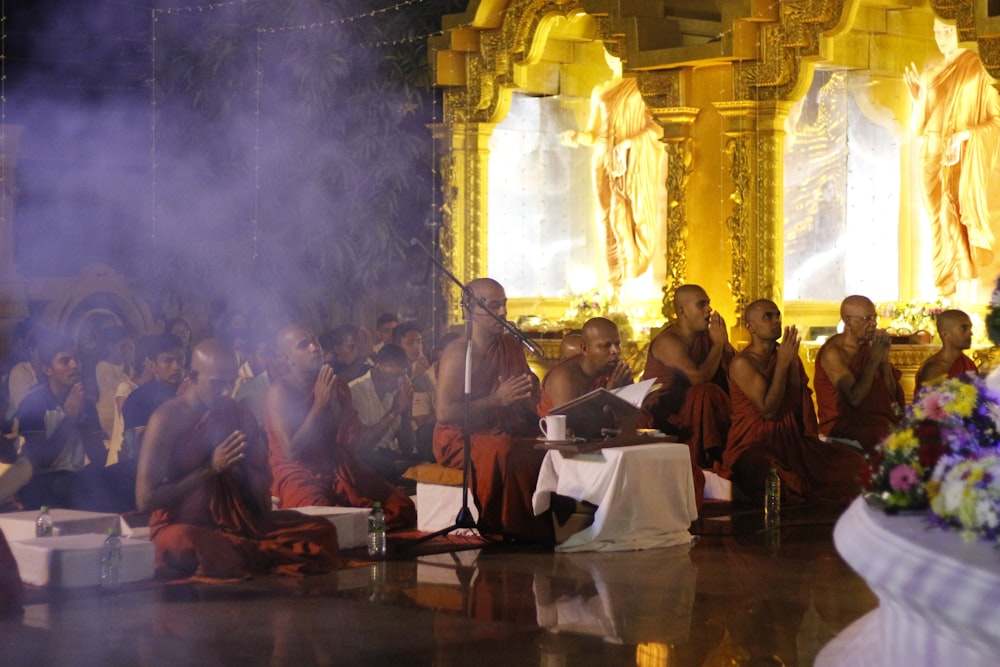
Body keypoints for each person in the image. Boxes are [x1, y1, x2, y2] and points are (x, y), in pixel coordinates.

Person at [136, 338, 339, 581]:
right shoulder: (167, 419)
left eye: (231, 382)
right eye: (217, 383)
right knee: (189, 542)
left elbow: (258, 481)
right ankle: (241, 554)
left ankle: (241, 552)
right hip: (182, 524)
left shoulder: (237, 412)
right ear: (192, 376)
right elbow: (145, 500)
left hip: (238, 524)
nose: (226, 391)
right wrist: (209, 469)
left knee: (320, 530)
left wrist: (239, 472)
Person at [433, 278, 551, 543]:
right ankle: (506, 527)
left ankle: (544, 525)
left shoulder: (510, 345)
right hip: (460, 435)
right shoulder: (458, 353)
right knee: (505, 449)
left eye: (504, 305)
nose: (503, 313)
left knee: (544, 443)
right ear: (471, 310)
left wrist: (529, 396)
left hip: (504, 426)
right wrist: (495, 400)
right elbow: (444, 413)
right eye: (495, 306)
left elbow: (523, 397)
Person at [265, 325, 415, 529]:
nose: (314, 348)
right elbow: (291, 450)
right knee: (323, 523)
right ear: (286, 358)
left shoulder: (336, 386)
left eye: (315, 341)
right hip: (299, 472)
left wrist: (397, 410)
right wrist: (319, 405)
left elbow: (357, 443)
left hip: (337, 466)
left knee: (402, 507)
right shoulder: (280, 391)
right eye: (304, 345)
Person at [722, 300, 864, 505]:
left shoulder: (787, 356)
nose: (776, 320)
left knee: (855, 464)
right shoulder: (742, 363)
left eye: (777, 315)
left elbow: (799, 406)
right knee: (781, 479)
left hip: (793, 444)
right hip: (754, 445)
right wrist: (782, 364)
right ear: (750, 326)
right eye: (767, 316)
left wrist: (787, 362)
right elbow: (768, 410)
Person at [904, 18, 1000, 298]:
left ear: (962, 32)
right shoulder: (929, 74)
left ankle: (964, 296)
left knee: (953, 217)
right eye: (937, 32)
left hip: (959, 156)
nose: (942, 37)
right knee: (936, 221)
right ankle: (945, 293)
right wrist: (917, 100)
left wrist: (966, 134)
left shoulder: (977, 70)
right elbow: (916, 128)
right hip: (931, 155)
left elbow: (996, 120)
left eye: (948, 31)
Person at [561, 51, 662, 288]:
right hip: (603, 159)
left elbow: (657, 126)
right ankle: (616, 281)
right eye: (608, 52)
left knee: (637, 214)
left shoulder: (641, 85)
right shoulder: (600, 89)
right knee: (609, 218)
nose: (613, 57)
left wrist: (629, 142)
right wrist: (577, 136)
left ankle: (635, 274)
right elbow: (593, 133)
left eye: (617, 51)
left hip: (634, 161)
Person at [14, 332, 112, 510]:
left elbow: (99, 458)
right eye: (64, 361)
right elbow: (37, 461)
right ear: (47, 369)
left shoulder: (85, 402)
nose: (74, 365)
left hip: (73, 480)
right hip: (39, 483)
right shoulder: (34, 403)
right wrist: (69, 420)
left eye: (76, 359)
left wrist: (82, 423)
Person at [641, 285, 735, 469]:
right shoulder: (668, 341)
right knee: (703, 392)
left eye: (708, 304)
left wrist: (725, 345)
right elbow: (698, 379)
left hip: (703, 411)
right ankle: (704, 464)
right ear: (682, 311)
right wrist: (717, 345)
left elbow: (735, 371)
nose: (709, 310)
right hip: (668, 415)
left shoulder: (707, 337)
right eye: (702, 305)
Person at [814, 295, 905, 454]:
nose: (874, 323)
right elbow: (854, 399)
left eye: (874, 317)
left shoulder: (870, 346)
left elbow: (892, 397)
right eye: (867, 318)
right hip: (844, 426)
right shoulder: (834, 353)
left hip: (876, 422)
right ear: (848, 321)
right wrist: (873, 361)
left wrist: (883, 365)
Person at [349, 343, 426, 482]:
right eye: (394, 375)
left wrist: (404, 412)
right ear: (378, 367)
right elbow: (363, 443)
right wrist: (395, 410)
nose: (398, 382)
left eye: (402, 376)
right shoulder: (356, 391)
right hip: (365, 458)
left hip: (389, 455)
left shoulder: (398, 391)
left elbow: (407, 447)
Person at [539, 317, 632, 415]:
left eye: (617, 344)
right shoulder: (564, 377)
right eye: (606, 345)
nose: (616, 351)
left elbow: (633, 418)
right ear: (584, 348)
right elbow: (569, 427)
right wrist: (608, 395)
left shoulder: (613, 371)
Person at [121, 333, 185, 461]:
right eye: (168, 361)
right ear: (152, 366)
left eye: (180, 360)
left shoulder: (189, 392)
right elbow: (143, 447)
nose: (176, 367)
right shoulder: (138, 400)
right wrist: (176, 405)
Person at [914, 308, 977, 393]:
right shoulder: (935, 368)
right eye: (963, 328)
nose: (970, 333)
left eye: (970, 328)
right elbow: (928, 404)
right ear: (945, 334)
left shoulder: (968, 363)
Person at [94, 325, 135, 443]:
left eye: (129, 346)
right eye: (123, 346)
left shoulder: (129, 368)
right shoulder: (102, 367)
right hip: (108, 425)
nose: (127, 351)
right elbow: (120, 391)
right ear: (110, 346)